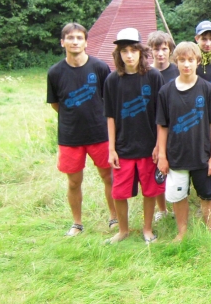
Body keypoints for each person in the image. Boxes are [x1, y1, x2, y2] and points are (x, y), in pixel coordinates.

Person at [47, 23, 116, 236]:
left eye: (79, 38)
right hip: (70, 136)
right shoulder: (55, 72)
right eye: (70, 38)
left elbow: (109, 100)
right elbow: (56, 103)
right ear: (62, 42)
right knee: (74, 181)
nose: (75, 42)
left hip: (100, 133)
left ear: (86, 42)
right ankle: (77, 223)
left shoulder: (100, 68)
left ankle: (114, 218)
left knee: (108, 177)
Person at [156, 42, 211, 240]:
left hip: (203, 156)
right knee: (178, 196)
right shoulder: (165, 92)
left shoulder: (209, 89)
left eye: (191, 60)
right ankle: (182, 233)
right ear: (175, 62)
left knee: (207, 196)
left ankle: (210, 233)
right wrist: (162, 156)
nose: (186, 64)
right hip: (176, 155)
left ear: (198, 61)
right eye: (182, 60)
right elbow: (162, 126)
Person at [103, 28, 165, 244]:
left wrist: (159, 145)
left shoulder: (153, 76)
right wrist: (111, 149)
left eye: (133, 50)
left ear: (141, 52)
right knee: (119, 192)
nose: (129, 55)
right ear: (118, 54)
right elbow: (110, 116)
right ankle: (123, 230)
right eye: (124, 51)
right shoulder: (112, 80)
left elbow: (161, 115)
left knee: (150, 190)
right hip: (123, 148)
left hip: (149, 147)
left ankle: (147, 229)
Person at [147, 30, 178, 222]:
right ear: (150, 51)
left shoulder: (177, 70)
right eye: (156, 49)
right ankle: (162, 209)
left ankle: (177, 205)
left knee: (175, 169)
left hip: (175, 126)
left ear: (170, 50)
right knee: (157, 169)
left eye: (164, 49)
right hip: (152, 126)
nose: (160, 53)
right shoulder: (146, 72)